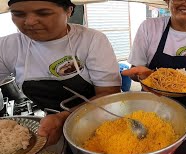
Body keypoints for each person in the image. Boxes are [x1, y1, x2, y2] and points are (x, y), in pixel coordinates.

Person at [0, 0, 121, 145]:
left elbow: (109, 93)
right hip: (50, 124)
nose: (30, 22)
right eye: (18, 14)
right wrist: (56, 119)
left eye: (43, 13)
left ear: (69, 11)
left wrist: (64, 117)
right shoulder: (7, 46)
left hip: (100, 119)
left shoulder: (91, 40)